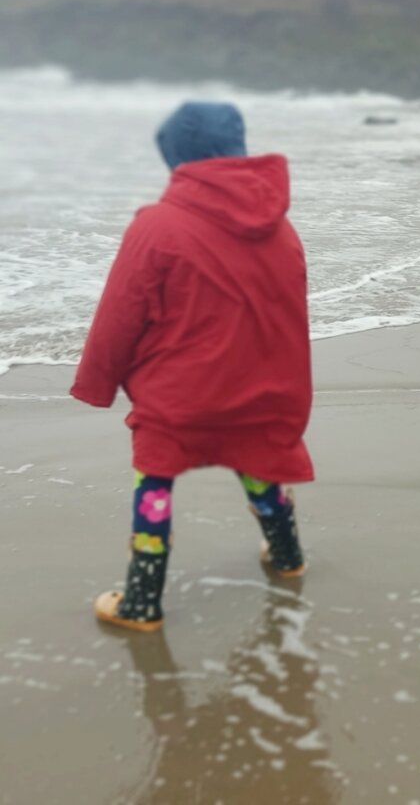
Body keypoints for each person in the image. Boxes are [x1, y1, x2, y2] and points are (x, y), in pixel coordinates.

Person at [72, 101, 314, 632]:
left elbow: (118, 315)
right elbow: (287, 316)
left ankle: (141, 601)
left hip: (176, 402)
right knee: (260, 466)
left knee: (154, 486)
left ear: (179, 161)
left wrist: (96, 382)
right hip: (260, 392)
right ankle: (287, 554)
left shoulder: (157, 226)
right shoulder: (282, 230)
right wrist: (286, 392)